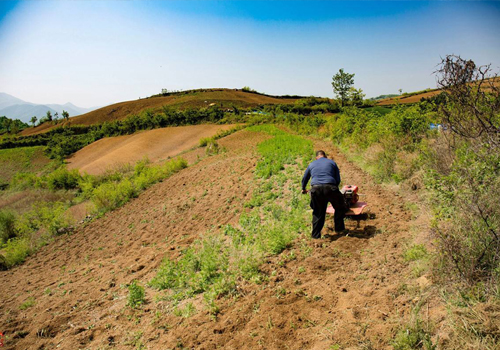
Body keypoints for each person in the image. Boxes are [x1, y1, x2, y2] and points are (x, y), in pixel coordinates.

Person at [301, 150, 347, 239]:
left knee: (318, 212)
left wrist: (303, 189)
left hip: (316, 189)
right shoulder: (332, 163)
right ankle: (339, 229)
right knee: (339, 207)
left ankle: (315, 236)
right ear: (325, 156)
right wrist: (334, 190)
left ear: (316, 157)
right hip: (331, 187)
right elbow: (338, 178)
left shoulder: (312, 164)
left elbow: (305, 178)